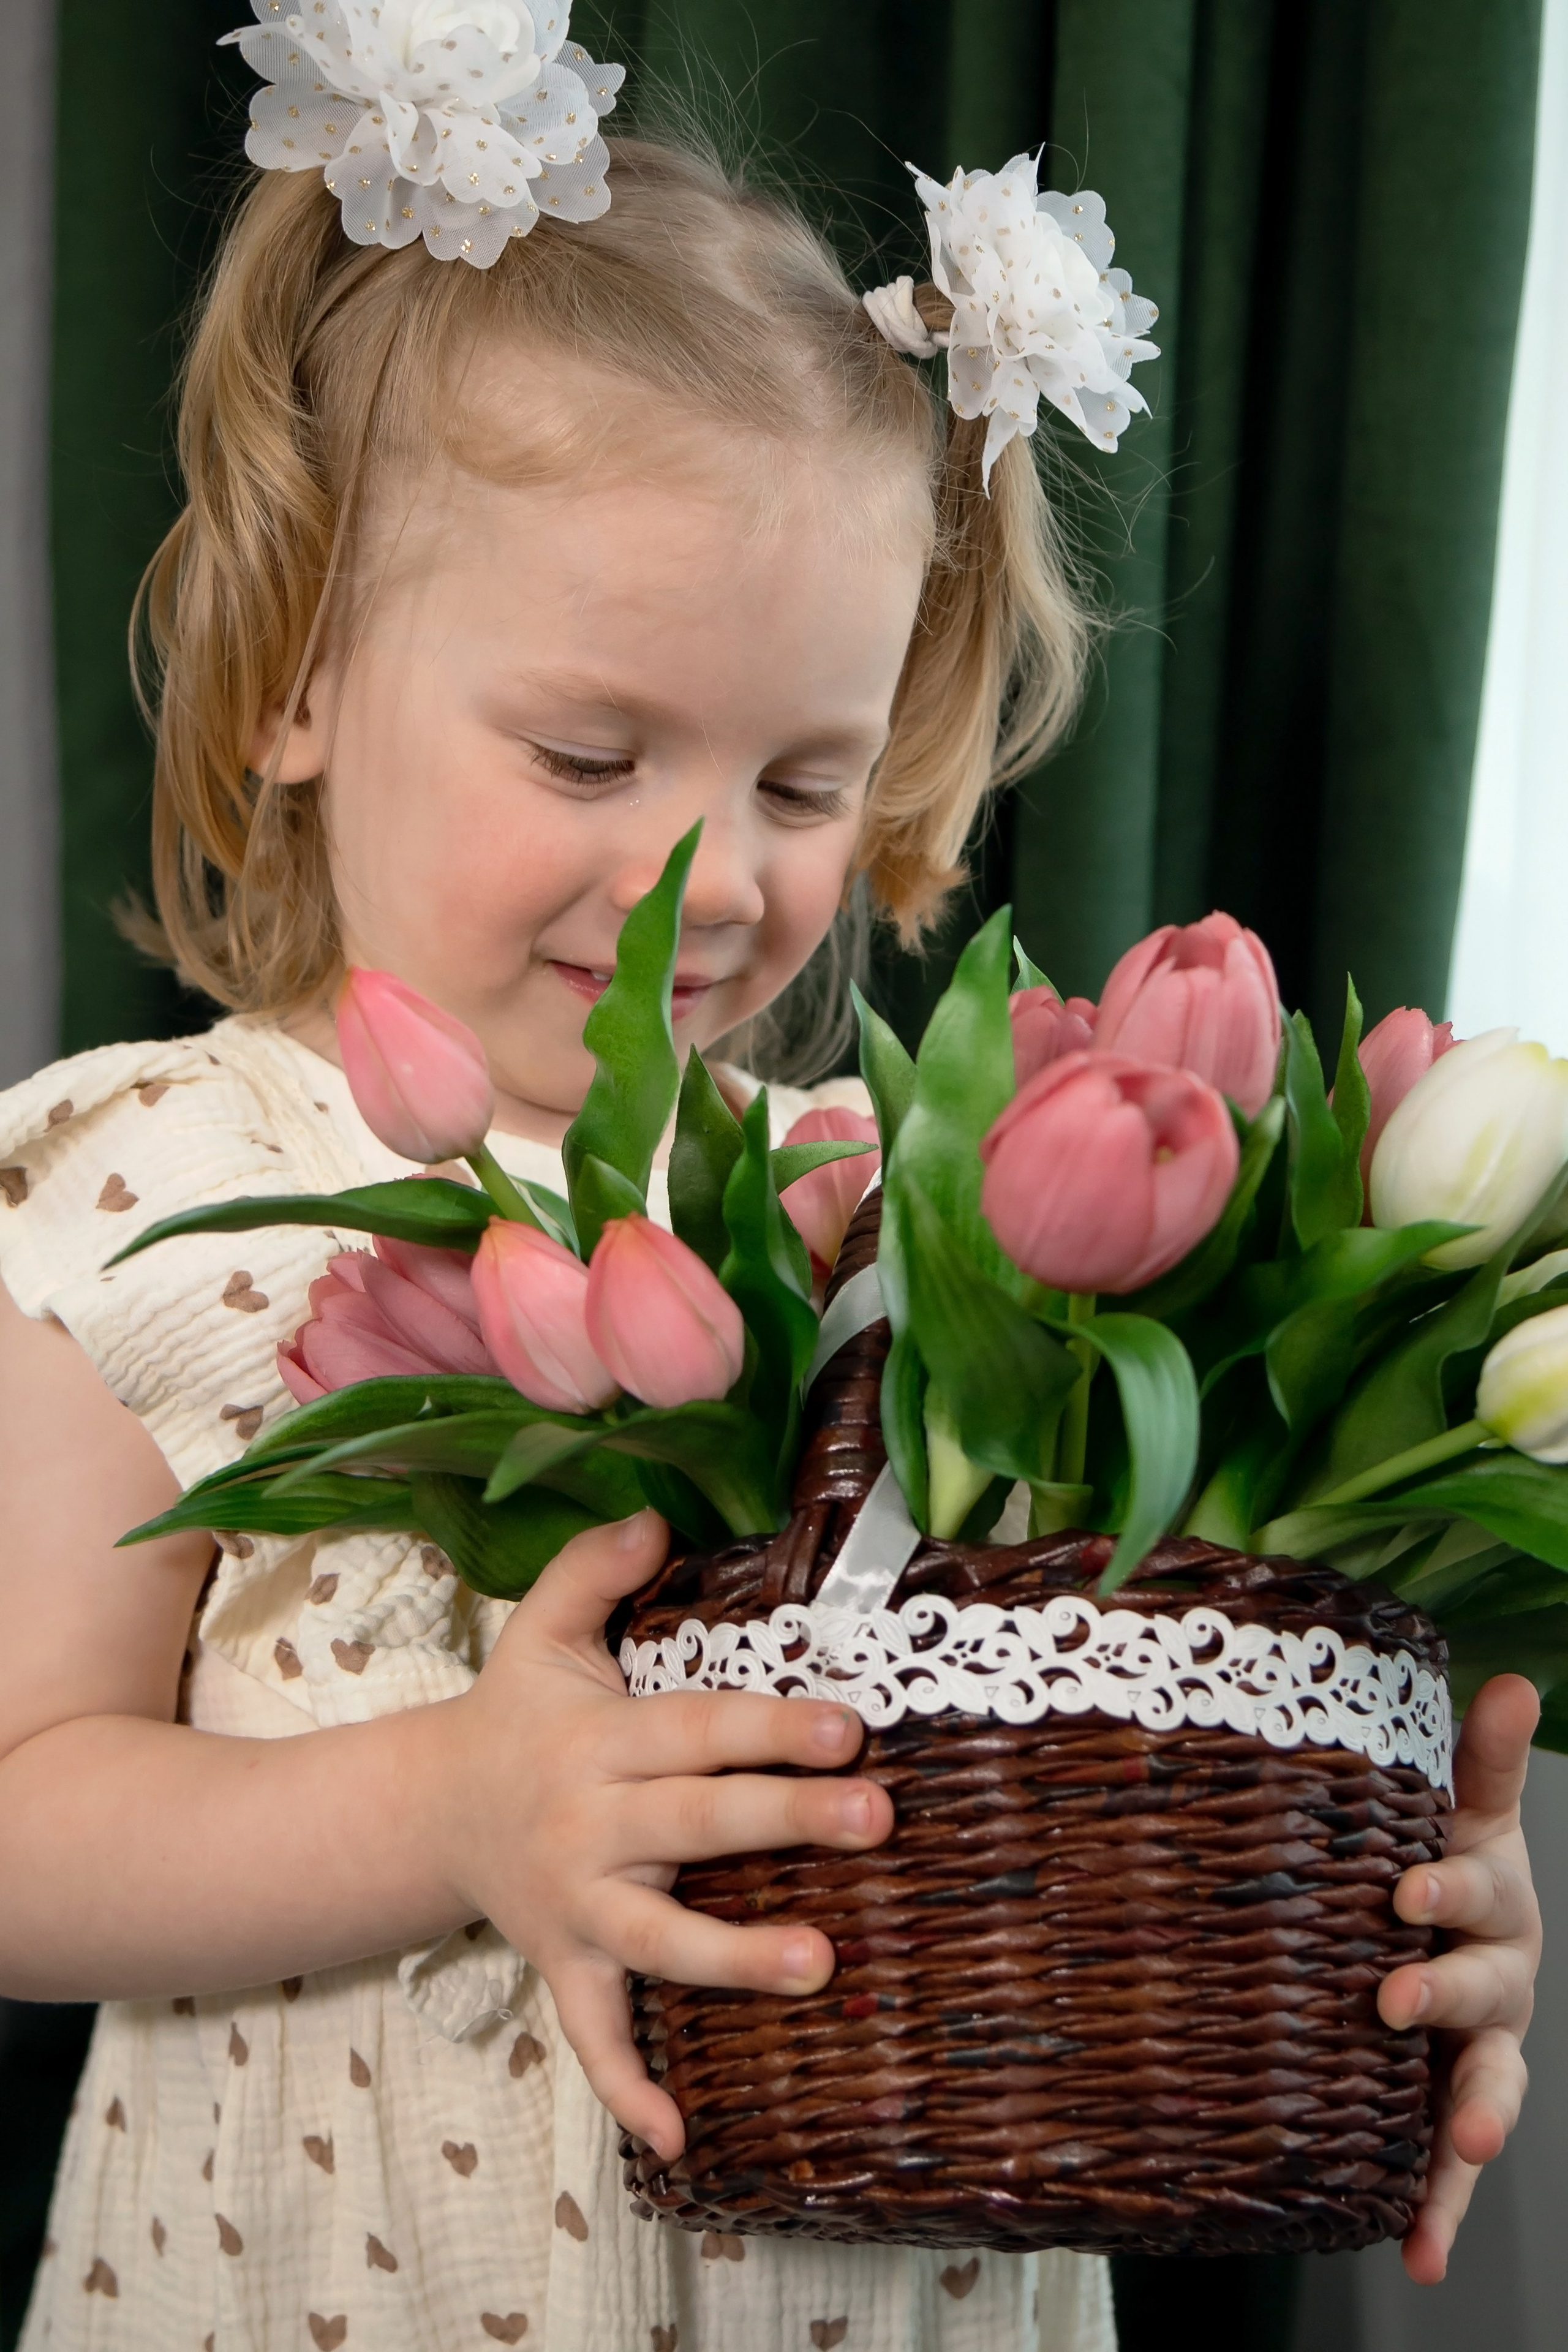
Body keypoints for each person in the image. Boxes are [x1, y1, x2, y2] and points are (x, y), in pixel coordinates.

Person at [0, 9, 1539, 2346]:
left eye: (808, 787)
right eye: (593, 750)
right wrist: (457, 1812)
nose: (709, 882)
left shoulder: (901, 1231)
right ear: (300, 674)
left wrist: (1377, 1871)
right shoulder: (162, 1184)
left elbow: (1106, 1734)